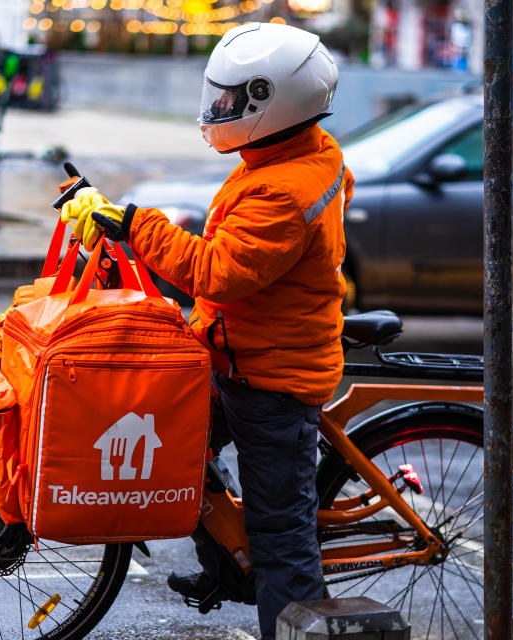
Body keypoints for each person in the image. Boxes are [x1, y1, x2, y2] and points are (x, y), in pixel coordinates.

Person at [60, 22, 354, 640]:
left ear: (274, 103)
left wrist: (137, 224)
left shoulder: (284, 187)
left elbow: (218, 271)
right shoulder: (290, 151)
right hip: (239, 351)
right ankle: (224, 559)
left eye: (230, 100)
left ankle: (287, 616)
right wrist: (118, 223)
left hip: (273, 379)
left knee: (282, 542)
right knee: (168, 445)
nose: (217, 110)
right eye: (216, 97)